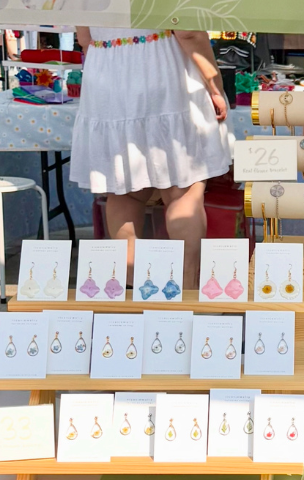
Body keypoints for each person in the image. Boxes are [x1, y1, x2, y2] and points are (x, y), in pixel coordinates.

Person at [71, 27, 231, 289]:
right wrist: (214, 85)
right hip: (163, 66)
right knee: (183, 191)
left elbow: (84, 37)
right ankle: (186, 289)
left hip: (106, 68)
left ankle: (132, 291)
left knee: (123, 192)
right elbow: (188, 31)